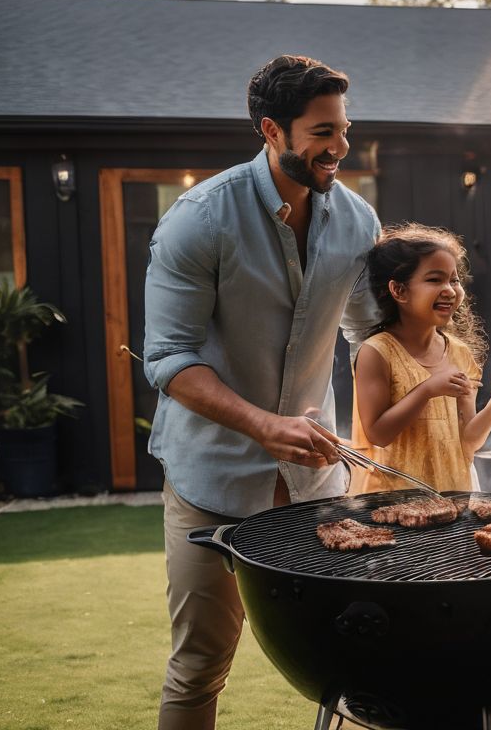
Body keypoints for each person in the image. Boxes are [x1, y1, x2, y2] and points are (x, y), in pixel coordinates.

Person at [142, 55, 380, 729]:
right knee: (199, 667)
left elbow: (371, 339)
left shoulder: (359, 221)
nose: (339, 146)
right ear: (272, 131)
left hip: (315, 485)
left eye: (343, 129)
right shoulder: (199, 220)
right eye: (322, 131)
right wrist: (265, 427)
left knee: (360, 652)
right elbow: (167, 358)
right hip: (211, 482)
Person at [354, 223, 491, 492]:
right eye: (435, 280)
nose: (449, 289)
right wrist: (427, 390)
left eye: (454, 279)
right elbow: (378, 434)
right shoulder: (378, 352)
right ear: (399, 291)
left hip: (454, 496)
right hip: (395, 500)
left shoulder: (459, 353)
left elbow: (469, 440)